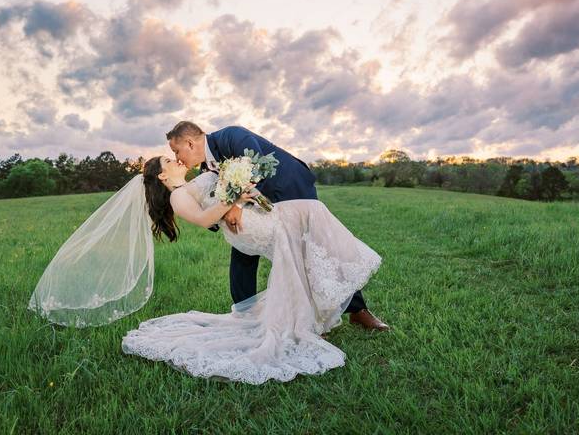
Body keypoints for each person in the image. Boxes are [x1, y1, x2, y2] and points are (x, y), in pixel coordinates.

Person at [119, 155, 383, 383]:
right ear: (163, 175)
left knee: (307, 243)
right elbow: (203, 219)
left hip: (250, 216)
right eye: (168, 160)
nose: (175, 158)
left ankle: (317, 317)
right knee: (313, 211)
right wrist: (233, 198)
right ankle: (328, 308)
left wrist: (240, 194)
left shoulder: (192, 182)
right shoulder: (177, 195)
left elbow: (218, 188)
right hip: (247, 227)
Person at [165, 121, 389, 331]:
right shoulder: (207, 167)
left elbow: (259, 165)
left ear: (189, 143)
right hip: (259, 206)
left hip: (291, 189)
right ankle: (246, 312)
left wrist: (237, 206)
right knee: (243, 244)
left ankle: (357, 310)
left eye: (176, 151)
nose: (177, 157)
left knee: (318, 247)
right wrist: (224, 214)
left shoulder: (231, 136)